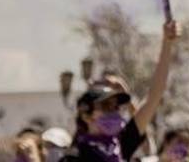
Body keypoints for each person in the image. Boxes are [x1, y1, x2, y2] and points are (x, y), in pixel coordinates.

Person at [62, 20, 179, 162]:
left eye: (116, 107)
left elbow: (154, 97)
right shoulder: (75, 156)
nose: (113, 112)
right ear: (86, 116)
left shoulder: (121, 143)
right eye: (105, 106)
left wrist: (167, 43)